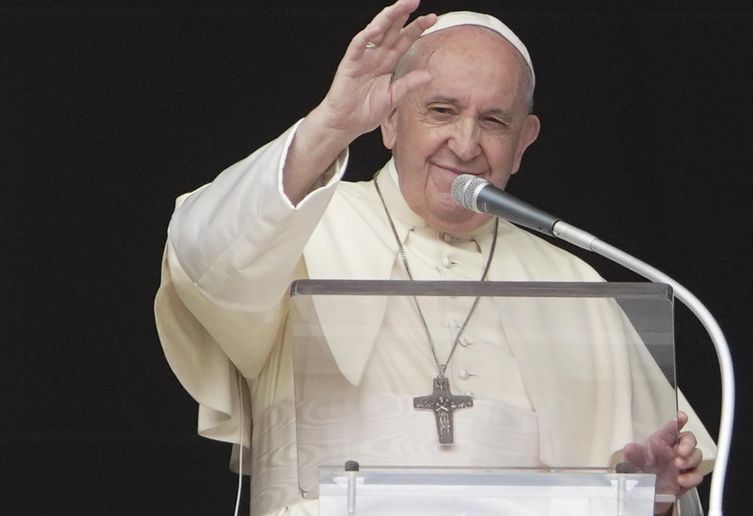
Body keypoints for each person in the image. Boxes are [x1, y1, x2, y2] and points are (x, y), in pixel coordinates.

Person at [154, 1, 717, 515]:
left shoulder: (571, 281)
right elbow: (202, 261)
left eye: (494, 121)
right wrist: (329, 126)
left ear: (525, 141)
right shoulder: (299, 223)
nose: (466, 144)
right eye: (442, 110)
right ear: (392, 119)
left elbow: (659, 493)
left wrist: (649, 498)